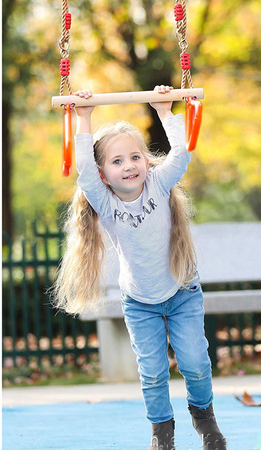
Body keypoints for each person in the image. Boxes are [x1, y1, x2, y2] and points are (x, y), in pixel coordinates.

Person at [51, 86, 227, 450]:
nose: (129, 165)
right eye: (117, 162)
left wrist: (165, 111)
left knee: (194, 361)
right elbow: (83, 167)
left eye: (135, 156)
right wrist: (83, 116)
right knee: (152, 372)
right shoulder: (104, 201)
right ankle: (162, 435)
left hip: (181, 291)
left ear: (146, 161)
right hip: (140, 302)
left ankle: (204, 419)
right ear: (104, 174)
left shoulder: (158, 185)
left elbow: (180, 154)